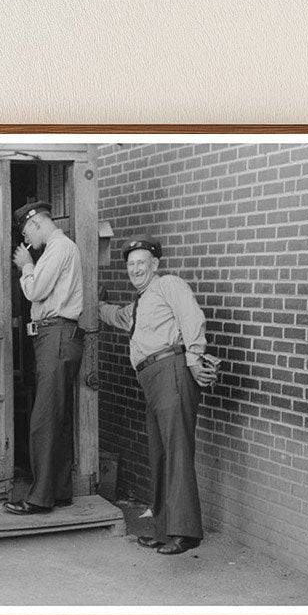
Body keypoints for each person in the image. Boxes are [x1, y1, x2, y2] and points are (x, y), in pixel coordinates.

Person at [99, 237, 217, 555]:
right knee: (160, 454)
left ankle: (186, 532)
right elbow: (117, 317)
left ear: (156, 265)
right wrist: (93, 305)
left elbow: (191, 318)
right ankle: (166, 530)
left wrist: (194, 359)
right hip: (152, 380)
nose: (136, 269)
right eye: (131, 264)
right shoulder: (140, 303)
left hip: (172, 371)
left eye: (142, 263)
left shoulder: (168, 285)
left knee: (176, 451)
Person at [3, 200, 86, 515]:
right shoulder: (61, 248)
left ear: (36, 222)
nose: (27, 242)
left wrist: (26, 265)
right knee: (57, 417)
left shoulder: (58, 248)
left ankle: (39, 498)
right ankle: (59, 490)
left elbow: (35, 290)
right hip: (58, 336)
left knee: (44, 419)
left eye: (26, 232)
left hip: (57, 335)